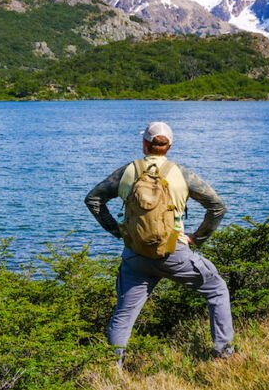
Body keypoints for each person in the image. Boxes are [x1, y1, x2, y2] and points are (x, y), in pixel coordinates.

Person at [85, 121, 234, 365]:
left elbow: (93, 200)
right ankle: (224, 354)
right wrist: (197, 238)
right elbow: (217, 207)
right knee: (217, 289)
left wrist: (119, 232)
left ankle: (112, 369)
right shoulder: (182, 174)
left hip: (136, 256)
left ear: (145, 144)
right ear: (169, 145)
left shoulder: (127, 171)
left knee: (124, 314)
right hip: (175, 254)